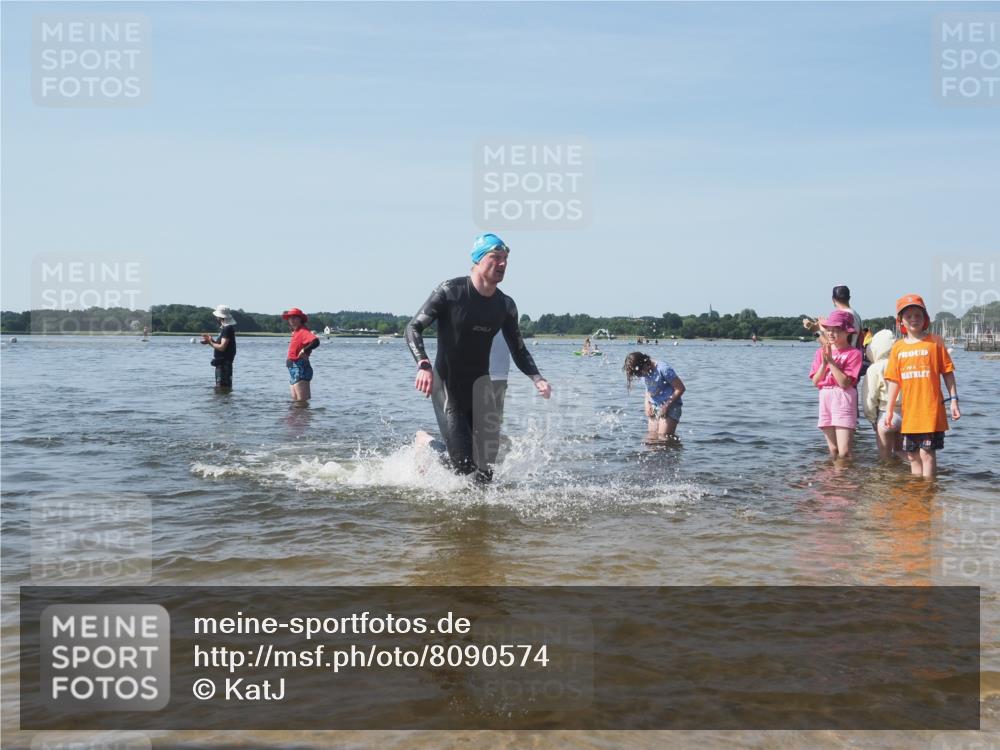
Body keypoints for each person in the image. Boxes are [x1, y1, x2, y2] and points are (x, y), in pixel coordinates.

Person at [406, 233, 552, 483]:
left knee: (485, 473)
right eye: (496, 257)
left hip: (481, 389)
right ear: (477, 259)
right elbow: (413, 328)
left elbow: (518, 348)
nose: (503, 264)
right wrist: (423, 365)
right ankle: (428, 445)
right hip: (448, 386)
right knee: (463, 467)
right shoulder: (450, 292)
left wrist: (537, 378)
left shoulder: (505, 306)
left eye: (506, 258)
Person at [884, 294, 960, 478]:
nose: (913, 320)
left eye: (918, 315)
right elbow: (894, 381)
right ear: (901, 320)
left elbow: (948, 373)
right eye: (908, 316)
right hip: (910, 413)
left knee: (927, 453)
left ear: (925, 318)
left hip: (931, 410)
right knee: (911, 455)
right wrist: (889, 409)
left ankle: (929, 492)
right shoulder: (898, 347)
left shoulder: (935, 342)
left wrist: (954, 401)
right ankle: (917, 495)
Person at [808, 310, 862, 458]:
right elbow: (816, 381)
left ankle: (844, 477)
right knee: (833, 449)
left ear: (847, 332)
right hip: (826, 396)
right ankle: (834, 479)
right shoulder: (821, 352)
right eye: (829, 330)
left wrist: (831, 362)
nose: (831, 333)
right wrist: (824, 363)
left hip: (843, 397)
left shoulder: (854, 353)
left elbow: (845, 383)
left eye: (836, 330)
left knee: (844, 451)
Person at [623, 351, 685, 442]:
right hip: (654, 406)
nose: (640, 376)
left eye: (639, 373)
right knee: (650, 440)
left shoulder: (663, 369)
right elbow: (648, 389)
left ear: (645, 364)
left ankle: (673, 451)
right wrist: (647, 404)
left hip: (671, 406)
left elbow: (680, 388)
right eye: (637, 375)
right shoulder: (641, 370)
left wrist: (666, 406)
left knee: (663, 439)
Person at [862, 329, 903, 460]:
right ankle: (903, 477)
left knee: (884, 456)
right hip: (905, 414)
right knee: (900, 452)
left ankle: (885, 478)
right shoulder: (902, 363)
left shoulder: (874, 368)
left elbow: (869, 397)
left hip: (885, 414)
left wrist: (872, 419)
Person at [283, 307, 320, 402]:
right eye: (290, 317)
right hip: (293, 369)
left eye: (295, 317)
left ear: (300, 319)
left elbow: (315, 341)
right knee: (296, 403)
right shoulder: (296, 331)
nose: (291, 319)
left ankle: (305, 417)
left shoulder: (303, 331)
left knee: (302, 402)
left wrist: (304, 350)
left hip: (300, 368)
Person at [201, 304, 237, 391]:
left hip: (224, 364)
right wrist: (211, 341)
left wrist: (210, 342)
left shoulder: (227, 328)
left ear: (220, 317)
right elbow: (222, 346)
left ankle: (222, 404)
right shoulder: (226, 328)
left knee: (221, 388)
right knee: (223, 389)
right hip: (223, 363)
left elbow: (222, 347)